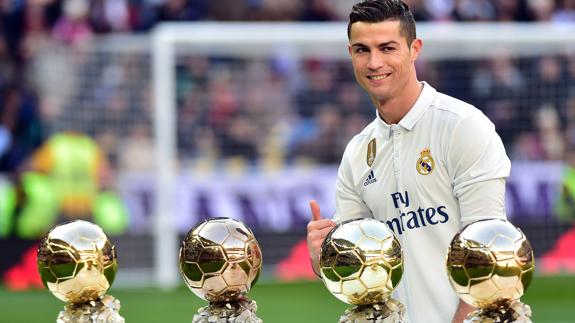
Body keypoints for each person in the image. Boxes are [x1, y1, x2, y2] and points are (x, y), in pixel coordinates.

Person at [306, 1, 511, 322]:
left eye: (387, 48)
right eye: (362, 50)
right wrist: (325, 259)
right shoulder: (358, 152)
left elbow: (490, 256)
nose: (374, 62)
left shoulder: (462, 126)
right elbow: (358, 274)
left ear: (415, 49)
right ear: (351, 55)